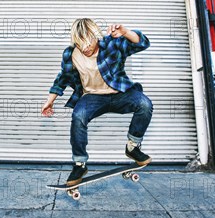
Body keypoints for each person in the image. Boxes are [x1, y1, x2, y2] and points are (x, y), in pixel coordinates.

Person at [41, 18, 153, 186]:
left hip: (119, 94)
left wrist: (126, 32)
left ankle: (132, 147)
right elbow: (62, 78)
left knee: (144, 104)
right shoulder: (70, 54)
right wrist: (49, 101)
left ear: (95, 36)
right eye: (80, 44)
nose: (85, 48)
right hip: (92, 97)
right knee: (78, 116)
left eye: (88, 42)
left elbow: (142, 44)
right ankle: (80, 164)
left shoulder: (111, 45)